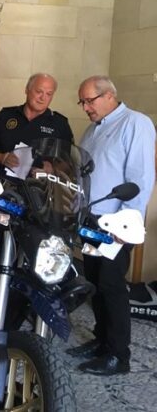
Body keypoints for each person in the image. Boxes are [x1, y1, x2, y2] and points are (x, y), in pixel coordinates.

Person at [66, 76, 156, 376]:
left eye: (89, 101)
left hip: (115, 224)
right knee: (95, 280)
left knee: (111, 285)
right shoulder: (93, 129)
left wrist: (126, 222)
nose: (85, 107)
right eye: (82, 102)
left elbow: (141, 178)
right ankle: (101, 341)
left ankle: (118, 355)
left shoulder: (135, 124)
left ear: (109, 96)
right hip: (91, 220)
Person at [0, 73, 73, 168]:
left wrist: (52, 169)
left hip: (39, 178)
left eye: (49, 94)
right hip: (1, 177)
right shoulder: (6, 115)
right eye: (39, 91)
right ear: (27, 90)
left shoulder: (60, 123)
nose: (43, 98)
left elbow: (68, 164)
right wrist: (1, 158)